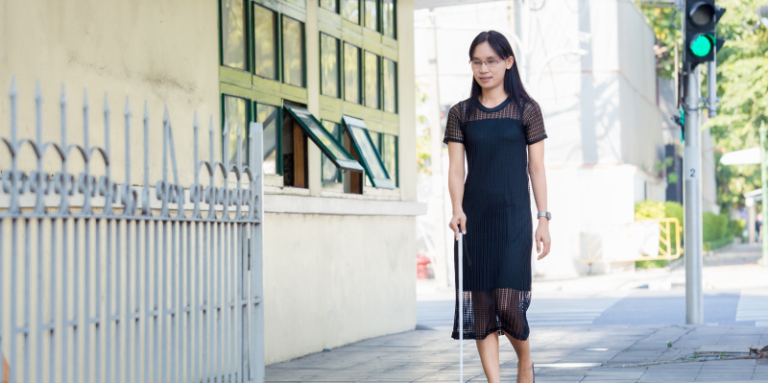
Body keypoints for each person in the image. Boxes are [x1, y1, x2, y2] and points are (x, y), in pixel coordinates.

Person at [444, 30, 551, 383]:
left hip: (513, 220)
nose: (484, 69)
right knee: (483, 310)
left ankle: (525, 360)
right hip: (474, 221)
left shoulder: (526, 110)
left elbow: (536, 168)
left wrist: (543, 219)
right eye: (477, 62)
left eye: (491, 61)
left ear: (508, 62)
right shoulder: (461, 113)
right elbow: (456, 169)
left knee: (508, 305)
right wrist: (457, 208)